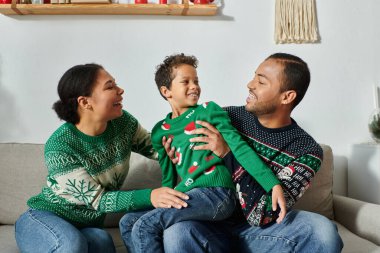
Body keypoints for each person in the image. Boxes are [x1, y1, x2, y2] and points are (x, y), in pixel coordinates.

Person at [162, 53, 344, 252]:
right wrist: (176, 159)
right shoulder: (225, 116)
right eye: (253, 76)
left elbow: (263, 215)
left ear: (287, 96)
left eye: (261, 81)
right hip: (210, 224)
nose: (250, 84)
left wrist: (227, 154)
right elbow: (193, 171)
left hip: (262, 232)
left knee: (322, 231)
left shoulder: (306, 151)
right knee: (177, 232)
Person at [119, 53, 287, 253]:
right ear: (167, 91)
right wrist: (166, 199)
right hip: (189, 194)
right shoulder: (160, 131)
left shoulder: (208, 111)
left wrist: (272, 183)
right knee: (128, 222)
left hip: (216, 194)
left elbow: (240, 147)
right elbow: (168, 177)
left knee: (145, 225)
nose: (194, 86)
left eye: (196, 81)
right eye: (186, 82)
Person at [14, 63, 189, 253]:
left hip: (87, 226)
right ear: (85, 102)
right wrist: (151, 196)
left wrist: (186, 137)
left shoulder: (123, 123)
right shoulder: (60, 146)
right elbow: (99, 200)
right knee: (71, 246)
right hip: (43, 218)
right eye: (110, 86)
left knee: (102, 241)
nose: (120, 90)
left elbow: (157, 148)